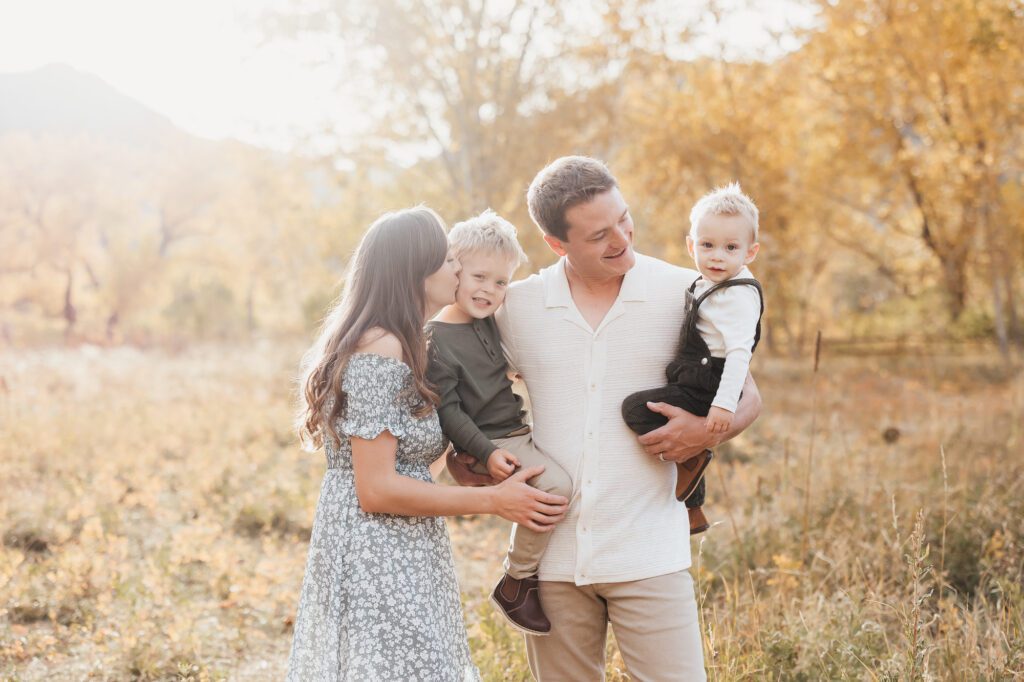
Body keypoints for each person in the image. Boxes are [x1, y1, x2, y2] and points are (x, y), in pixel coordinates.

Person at [447, 157, 762, 680]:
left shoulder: (685, 290)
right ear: (557, 243)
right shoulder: (516, 307)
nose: (621, 238)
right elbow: (467, 384)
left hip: (650, 552)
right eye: (599, 234)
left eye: (623, 218)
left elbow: (748, 393)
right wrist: (469, 458)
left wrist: (703, 432)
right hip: (552, 559)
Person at [286, 206, 569, 681]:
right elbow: (375, 489)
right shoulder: (380, 346)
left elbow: (406, 464)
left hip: (407, 547)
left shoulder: (408, 342)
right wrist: (492, 501)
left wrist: (462, 461)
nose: (457, 268)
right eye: (447, 260)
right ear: (414, 271)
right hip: (376, 556)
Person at [426, 210, 573, 636]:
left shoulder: (486, 321)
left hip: (513, 429)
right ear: (453, 269)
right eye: (479, 277)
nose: (489, 290)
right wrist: (487, 454)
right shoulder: (434, 339)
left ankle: (528, 575)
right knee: (557, 487)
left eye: (500, 282)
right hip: (489, 440)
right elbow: (448, 411)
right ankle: (516, 580)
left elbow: (502, 364)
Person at [621, 183, 764, 534]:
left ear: (750, 252)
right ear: (691, 245)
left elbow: (738, 354)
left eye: (731, 248)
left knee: (637, 409)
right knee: (666, 415)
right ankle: (693, 508)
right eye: (707, 245)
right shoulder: (705, 282)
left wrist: (723, 406)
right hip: (694, 374)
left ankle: (692, 457)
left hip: (710, 382)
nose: (717, 256)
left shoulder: (739, 296)